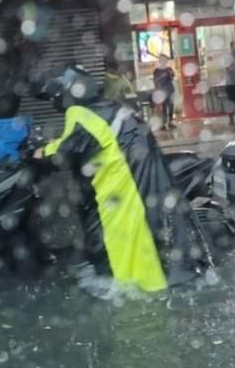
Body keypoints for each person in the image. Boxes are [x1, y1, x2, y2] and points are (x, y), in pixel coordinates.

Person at [30, 65, 205, 296]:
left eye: (54, 96)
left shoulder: (80, 114)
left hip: (123, 194)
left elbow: (67, 148)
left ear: (64, 92)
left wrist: (39, 152)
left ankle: (142, 304)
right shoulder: (110, 106)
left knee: (125, 256)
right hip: (145, 186)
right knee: (149, 244)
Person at [152, 55, 176, 129]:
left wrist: (170, 74)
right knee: (164, 106)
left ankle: (170, 122)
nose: (164, 62)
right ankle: (163, 123)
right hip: (162, 90)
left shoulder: (169, 69)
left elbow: (172, 78)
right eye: (162, 60)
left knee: (171, 106)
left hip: (170, 89)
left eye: (165, 60)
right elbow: (155, 80)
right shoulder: (157, 70)